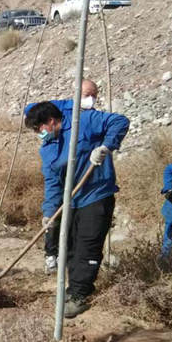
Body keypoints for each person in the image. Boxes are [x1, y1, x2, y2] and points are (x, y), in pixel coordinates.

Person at [24, 99, 130, 318]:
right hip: (71, 200)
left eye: (39, 128)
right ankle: (72, 288)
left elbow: (120, 121)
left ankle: (80, 295)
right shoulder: (48, 149)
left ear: (51, 121)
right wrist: (49, 212)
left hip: (97, 194)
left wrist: (105, 147)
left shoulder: (84, 121)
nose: (38, 134)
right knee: (70, 246)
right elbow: (52, 182)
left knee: (87, 245)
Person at [39, 79, 101, 273]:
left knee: (75, 229)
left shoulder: (92, 119)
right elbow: (32, 108)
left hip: (83, 187)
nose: (90, 99)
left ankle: (67, 262)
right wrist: (71, 103)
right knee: (53, 217)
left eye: (94, 95)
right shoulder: (62, 115)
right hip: (60, 181)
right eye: (86, 95)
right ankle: (51, 255)